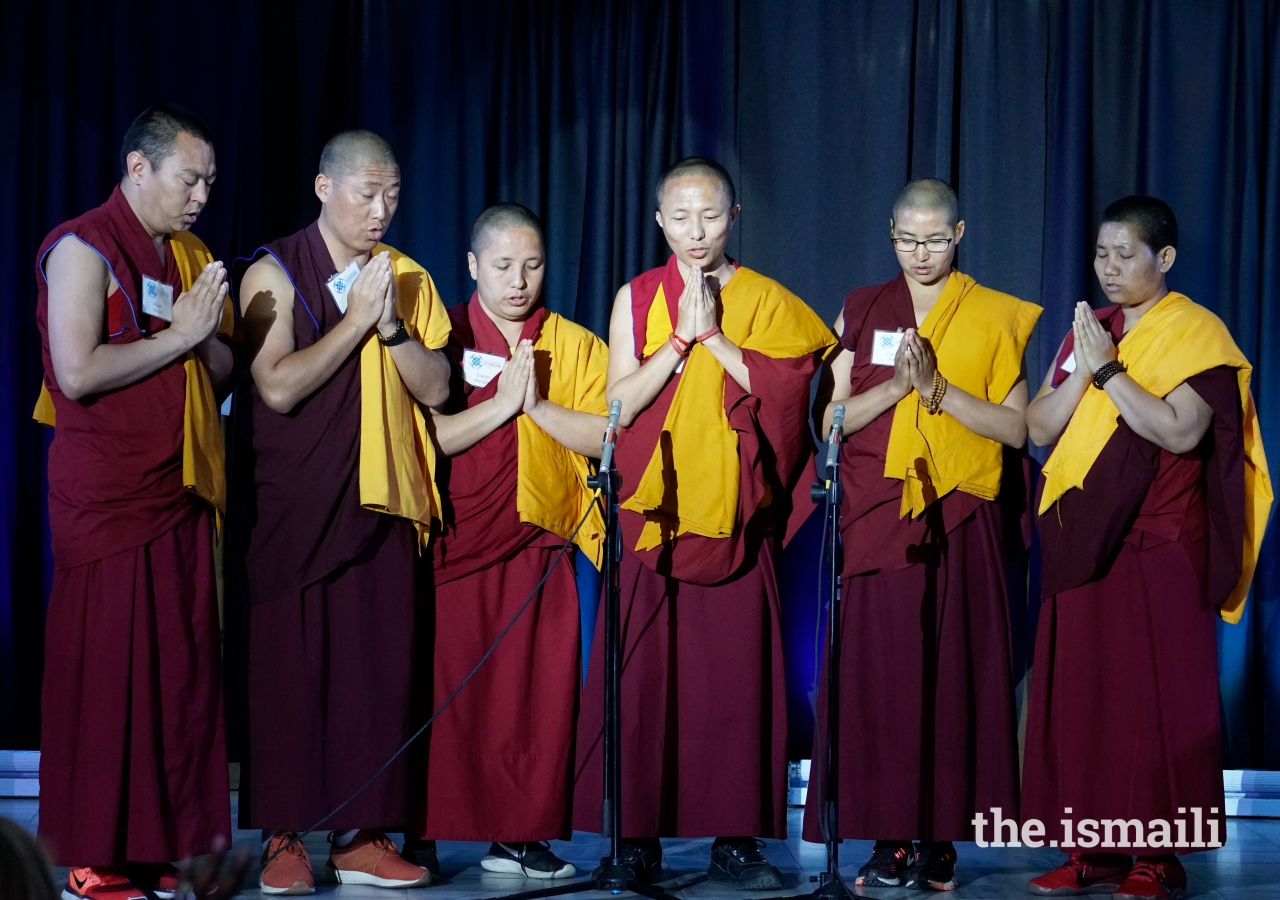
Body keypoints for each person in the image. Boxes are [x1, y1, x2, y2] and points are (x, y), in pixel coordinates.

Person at [572, 157, 834, 890]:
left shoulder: (765, 301)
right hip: (657, 514)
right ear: (660, 221)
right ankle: (635, 840)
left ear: (735, 216)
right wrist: (680, 342)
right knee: (644, 679)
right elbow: (618, 403)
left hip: (737, 521)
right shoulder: (638, 297)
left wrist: (717, 338)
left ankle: (735, 839)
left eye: (710, 216)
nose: (696, 232)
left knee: (735, 682)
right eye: (680, 218)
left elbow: (787, 402)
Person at [1022, 196, 1271, 900]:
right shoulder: (1088, 330)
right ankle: (1089, 848)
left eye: (1124, 254)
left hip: (1158, 542)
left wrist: (1108, 373)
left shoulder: (1197, 333)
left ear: (1163, 258)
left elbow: (1179, 432)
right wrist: (1083, 367)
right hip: (1083, 536)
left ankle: (1158, 857)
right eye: (1101, 253)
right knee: (1083, 700)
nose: (1109, 267)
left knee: (1155, 702)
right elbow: (1039, 427)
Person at [806, 178, 1039, 891]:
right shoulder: (861, 308)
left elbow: (1018, 428)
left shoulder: (994, 316)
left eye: (935, 239)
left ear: (961, 235)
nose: (920, 253)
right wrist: (902, 389)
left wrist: (940, 391)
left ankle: (940, 839)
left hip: (962, 514)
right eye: (906, 239)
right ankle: (886, 838)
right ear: (890, 233)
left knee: (950, 677)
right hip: (880, 516)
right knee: (880, 681)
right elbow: (830, 426)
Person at [236, 130, 451, 894]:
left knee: (374, 667)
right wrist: (356, 323)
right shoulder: (270, 272)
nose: (382, 209)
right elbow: (280, 386)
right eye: (367, 192)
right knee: (291, 669)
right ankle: (285, 837)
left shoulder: (405, 278)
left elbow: (435, 389)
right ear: (323, 187)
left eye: (393, 193)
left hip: (383, 496)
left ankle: (363, 835)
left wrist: (388, 324)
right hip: (298, 501)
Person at [33, 103, 236, 900]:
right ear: (139, 168)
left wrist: (209, 336)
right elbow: (77, 372)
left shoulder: (189, 256)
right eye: (190, 179)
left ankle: (157, 847)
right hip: (109, 495)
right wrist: (183, 338)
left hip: (179, 484)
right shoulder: (82, 248)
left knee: (176, 673)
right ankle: (94, 853)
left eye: (211, 183)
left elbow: (214, 370)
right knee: (108, 671)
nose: (201, 198)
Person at [401, 202, 608, 880]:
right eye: (502, 266)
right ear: (470, 265)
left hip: (542, 540)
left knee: (535, 699)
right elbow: (423, 440)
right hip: (458, 536)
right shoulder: (443, 340)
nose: (519, 281)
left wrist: (538, 407)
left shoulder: (573, 345)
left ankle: (521, 834)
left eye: (534, 265)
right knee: (447, 691)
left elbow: (608, 437)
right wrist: (500, 407)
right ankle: (424, 831)